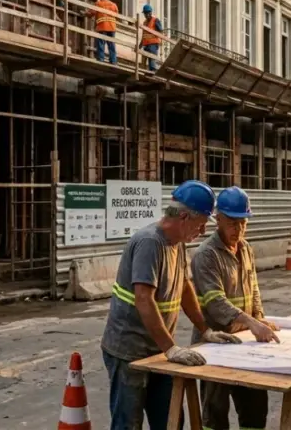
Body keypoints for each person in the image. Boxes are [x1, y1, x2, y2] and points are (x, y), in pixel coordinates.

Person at [101, 180, 242, 430]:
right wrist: (172, 349)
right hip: (129, 351)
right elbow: (144, 299)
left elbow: (185, 287)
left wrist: (205, 329)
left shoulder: (177, 242)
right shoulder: (150, 243)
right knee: (128, 423)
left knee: (170, 421)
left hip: (157, 349)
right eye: (200, 226)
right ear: (184, 217)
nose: (201, 233)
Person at [190, 186, 280, 430]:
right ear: (217, 219)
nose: (238, 229)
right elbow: (215, 302)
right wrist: (253, 323)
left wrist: (259, 316)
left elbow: (254, 288)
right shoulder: (206, 255)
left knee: (254, 408)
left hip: (246, 345)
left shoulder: (246, 249)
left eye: (243, 223)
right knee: (215, 413)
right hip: (214, 345)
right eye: (232, 222)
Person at [89, 0, 118, 64]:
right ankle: (113, 61)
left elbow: (91, 13)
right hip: (112, 28)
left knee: (101, 44)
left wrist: (84, 14)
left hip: (102, 27)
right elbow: (116, 15)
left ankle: (101, 59)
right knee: (111, 45)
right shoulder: (114, 5)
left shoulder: (98, 3)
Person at [139, 4, 163, 72]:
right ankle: (144, 73)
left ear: (150, 12)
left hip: (153, 44)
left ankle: (152, 72)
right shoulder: (145, 23)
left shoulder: (155, 20)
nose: (146, 15)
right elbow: (144, 36)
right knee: (144, 60)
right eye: (145, 13)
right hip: (146, 45)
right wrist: (140, 45)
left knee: (152, 61)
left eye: (147, 13)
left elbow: (160, 31)